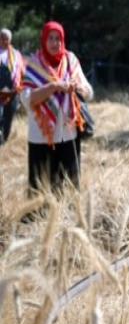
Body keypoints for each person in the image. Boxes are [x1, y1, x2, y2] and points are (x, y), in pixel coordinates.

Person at [20, 21, 93, 194]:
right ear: (43, 40)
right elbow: (26, 99)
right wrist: (53, 87)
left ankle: (65, 221)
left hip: (68, 136)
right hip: (41, 137)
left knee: (68, 190)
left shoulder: (71, 60)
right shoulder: (32, 65)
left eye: (58, 38)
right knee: (40, 191)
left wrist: (79, 88)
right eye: (50, 38)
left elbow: (89, 93)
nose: (55, 43)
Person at [0, 28, 25, 145]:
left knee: (9, 117)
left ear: (10, 40)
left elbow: (23, 71)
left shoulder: (16, 54)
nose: (5, 41)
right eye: (3, 38)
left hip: (13, 91)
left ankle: (4, 141)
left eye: (7, 39)